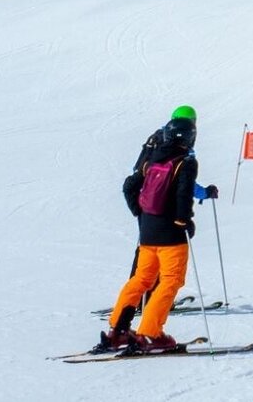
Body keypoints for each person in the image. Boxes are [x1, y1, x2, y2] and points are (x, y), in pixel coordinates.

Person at [99, 106, 216, 353]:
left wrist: (141, 213)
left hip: (148, 229)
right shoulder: (186, 159)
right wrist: (184, 221)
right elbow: (183, 192)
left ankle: (117, 331)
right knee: (171, 280)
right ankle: (150, 334)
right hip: (170, 232)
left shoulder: (154, 152)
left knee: (141, 279)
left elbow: (131, 184)